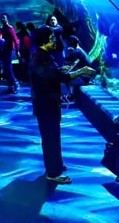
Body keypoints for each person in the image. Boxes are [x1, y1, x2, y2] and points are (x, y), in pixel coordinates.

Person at [29, 25, 85, 184]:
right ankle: (53, 173)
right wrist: (82, 71)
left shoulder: (43, 55)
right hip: (45, 105)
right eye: (52, 38)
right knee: (50, 138)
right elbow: (60, 76)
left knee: (53, 136)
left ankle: (56, 165)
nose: (55, 40)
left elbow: (55, 73)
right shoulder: (40, 57)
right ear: (44, 40)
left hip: (48, 104)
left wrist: (62, 70)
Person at [0, 13, 20, 93]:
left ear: (7, 19)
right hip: (4, 50)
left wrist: (17, 50)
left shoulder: (10, 28)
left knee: (8, 68)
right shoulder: (2, 29)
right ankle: (10, 86)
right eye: (1, 18)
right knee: (5, 68)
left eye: (4, 18)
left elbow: (16, 40)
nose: (2, 19)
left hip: (10, 50)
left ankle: (15, 84)